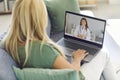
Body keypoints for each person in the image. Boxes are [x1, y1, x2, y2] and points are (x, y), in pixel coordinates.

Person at [2, 0, 118, 80]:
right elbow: (73, 72)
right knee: (103, 54)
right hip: (77, 76)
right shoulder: (43, 50)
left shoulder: (10, 42)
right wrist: (77, 59)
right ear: (39, 19)